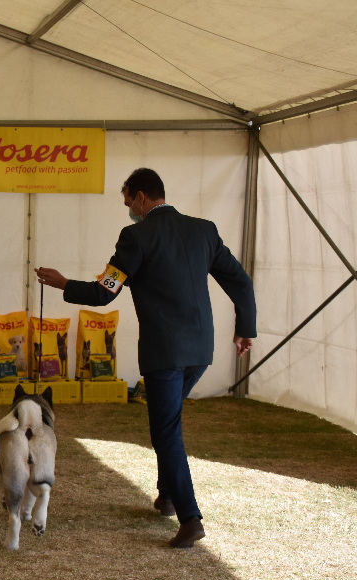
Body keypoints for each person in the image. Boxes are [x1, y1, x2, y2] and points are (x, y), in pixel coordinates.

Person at [34, 168, 256, 549]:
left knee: (166, 431)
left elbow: (104, 292)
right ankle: (166, 495)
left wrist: (64, 283)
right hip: (200, 350)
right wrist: (245, 327)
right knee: (168, 420)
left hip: (164, 351)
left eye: (128, 202)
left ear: (140, 197)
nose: (129, 211)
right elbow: (240, 280)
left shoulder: (135, 237)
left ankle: (190, 518)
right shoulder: (204, 230)